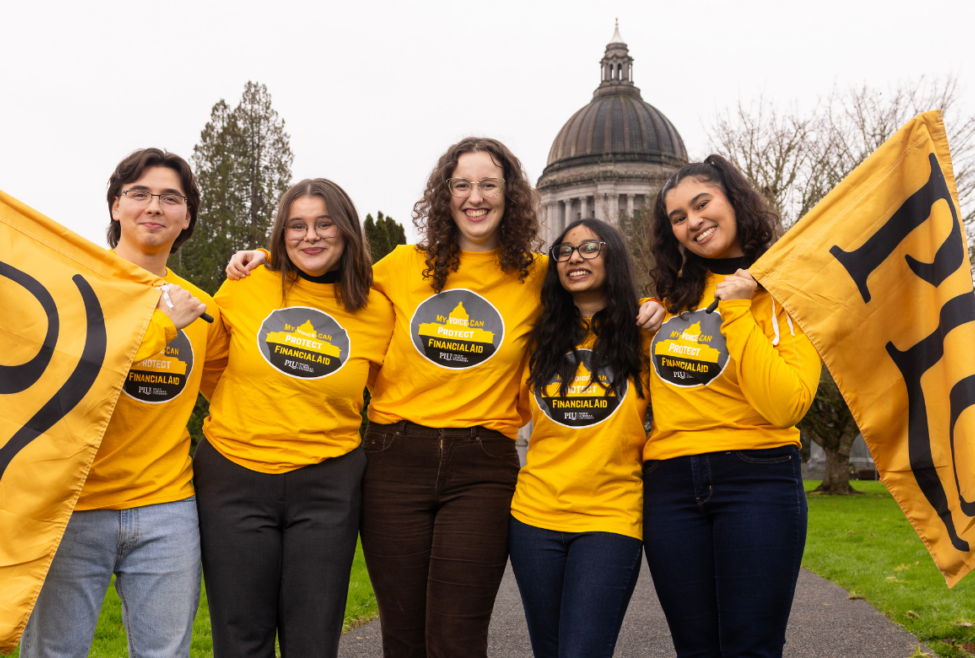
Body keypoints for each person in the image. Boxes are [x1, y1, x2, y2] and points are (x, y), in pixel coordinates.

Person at [227, 137, 665, 657]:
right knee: (404, 635)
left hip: (481, 469)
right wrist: (268, 258)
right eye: (461, 185)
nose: (474, 197)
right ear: (444, 194)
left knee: (457, 635)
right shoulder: (401, 266)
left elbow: (597, 291)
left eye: (488, 185)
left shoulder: (537, 273)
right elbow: (325, 274)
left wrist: (650, 304)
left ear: (511, 196)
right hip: (395, 459)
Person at [21, 148, 216, 658]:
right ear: (115, 207)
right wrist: (161, 327)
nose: (154, 207)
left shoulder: (204, 309)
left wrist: (259, 266)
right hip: (71, 507)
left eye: (170, 198)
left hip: (166, 510)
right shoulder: (74, 291)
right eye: (140, 194)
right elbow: (68, 376)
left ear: (186, 217)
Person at [194, 179, 394, 657]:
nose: (311, 236)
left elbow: (393, 389)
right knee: (241, 636)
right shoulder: (247, 284)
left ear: (347, 231)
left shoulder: (377, 309)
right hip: (233, 476)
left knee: (314, 638)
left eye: (325, 224)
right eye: (297, 225)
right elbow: (212, 365)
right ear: (280, 235)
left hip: (328, 485)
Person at [643, 154, 821, 658]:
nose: (692, 222)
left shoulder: (787, 291)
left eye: (702, 204)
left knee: (751, 647)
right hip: (670, 486)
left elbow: (787, 403)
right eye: (678, 217)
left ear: (735, 201)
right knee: (694, 649)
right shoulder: (669, 299)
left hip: (757, 476)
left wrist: (739, 308)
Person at [509, 219, 649, 658]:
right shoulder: (538, 338)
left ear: (614, 257)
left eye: (590, 246)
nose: (575, 257)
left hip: (610, 517)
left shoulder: (645, 332)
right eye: (564, 251)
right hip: (535, 518)